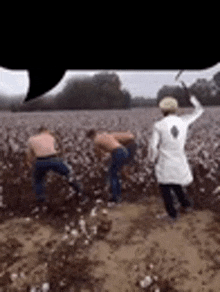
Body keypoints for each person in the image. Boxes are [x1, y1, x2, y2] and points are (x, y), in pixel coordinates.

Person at [148, 95, 204, 222]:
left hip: (165, 162)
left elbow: (153, 146)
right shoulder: (184, 121)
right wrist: (193, 99)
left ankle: (172, 214)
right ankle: (186, 205)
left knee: (165, 187)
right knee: (176, 183)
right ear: (175, 108)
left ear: (162, 110)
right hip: (179, 160)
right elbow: (200, 111)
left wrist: (152, 160)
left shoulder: (158, 125)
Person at [26, 126, 88, 209]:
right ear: (46, 130)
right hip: (54, 159)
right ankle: (81, 193)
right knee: (69, 175)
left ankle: (41, 200)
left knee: (38, 180)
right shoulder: (51, 137)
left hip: (40, 161)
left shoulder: (31, 139)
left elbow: (29, 155)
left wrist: (30, 163)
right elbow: (59, 147)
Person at [86, 129, 136, 203]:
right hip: (123, 151)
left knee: (113, 175)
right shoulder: (105, 134)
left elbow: (98, 154)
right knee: (115, 174)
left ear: (91, 136)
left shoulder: (96, 140)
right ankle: (118, 195)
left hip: (117, 153)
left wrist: (101, 160)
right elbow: (125, 137)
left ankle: (116, 198)